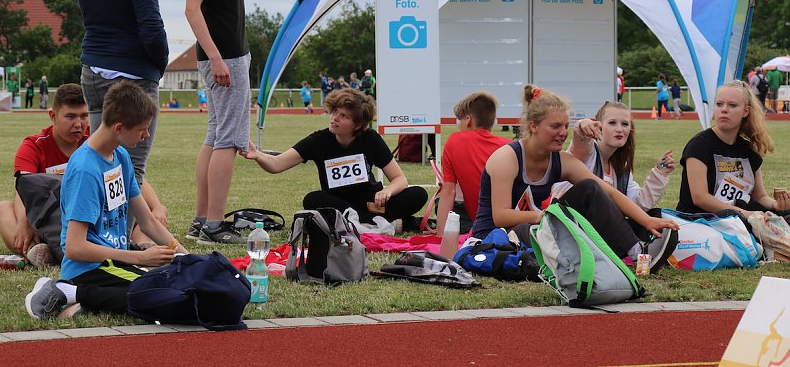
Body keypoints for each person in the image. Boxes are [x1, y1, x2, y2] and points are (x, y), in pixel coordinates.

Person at [24, 81, 187, 319]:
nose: (146, 135)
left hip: (114, 266)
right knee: (170, 297)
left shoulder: (120, 155)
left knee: (177, 288)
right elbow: (75, 247)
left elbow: (148, 222)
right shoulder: (86, 170)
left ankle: (80, 304)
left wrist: (187, 258)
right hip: (89, 270)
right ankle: (68, 291)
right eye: (142, 129)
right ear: (119, 127)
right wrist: (140, 257)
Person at [473, 88, 679, 272]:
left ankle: (637, 251)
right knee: (536, 229)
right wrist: (546, 216)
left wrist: (646, 220)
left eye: (565, 126)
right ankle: (620, 253)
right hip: (497, 237)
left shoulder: (561, 160)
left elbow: (607, 192)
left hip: (536, 231)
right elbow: (500, 217)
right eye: (555, 126)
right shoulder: (507, 158)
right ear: (533, 126)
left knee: (590, 187)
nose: (563, 133)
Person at [71, 0, 171, 245]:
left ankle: (90, 237)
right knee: (131, 170)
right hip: (133, 73)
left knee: (102, 161)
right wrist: (159, 62)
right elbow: (150, 25)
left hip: (94, 70)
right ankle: (115, 243)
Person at [184, 0, 267, 244]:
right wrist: (216, 56)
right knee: (230, 140)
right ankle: (214, 225)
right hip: (225, 56)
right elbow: (191, 8)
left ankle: (202, 219)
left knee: (217, 136)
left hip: (230, 53)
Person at [241, 88, 428, 229]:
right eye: (334, 112)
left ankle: (363, 223)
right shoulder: (318, 140)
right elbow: (277, 164)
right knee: (312, 199)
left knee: (419, 194)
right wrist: (257, 155)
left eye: (343, 116)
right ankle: (384, 224)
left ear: (358, 125)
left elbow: (400, 179)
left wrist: (388, 191)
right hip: (338, 203)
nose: (334, 118)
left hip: (371, 202)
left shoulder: (370, 138)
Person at [0, 84, 90, 267]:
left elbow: (127, 176)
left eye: (84, 116)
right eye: (70, 116)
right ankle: (36, 250)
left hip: (86, 218)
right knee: (1, 208)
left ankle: (142, 242)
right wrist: (25, 222)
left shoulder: (94, 141)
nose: (78, 124)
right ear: (53, 116)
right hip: (48, 220)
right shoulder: (34, 145)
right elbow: (23, 189)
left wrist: (156, 207)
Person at [676, 80, 790, 217]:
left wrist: (775, 205)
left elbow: (760, 196)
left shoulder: (748, 151)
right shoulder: (699, 146)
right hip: (699, 221)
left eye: (732, 105)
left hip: (736, 220)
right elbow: (700, 198)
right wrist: (745, 214)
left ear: (746, 111)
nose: (724, 109)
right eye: (719, 104)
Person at [566, 101, 674, 216]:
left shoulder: (620, 168)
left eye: (625, 124)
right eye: (612, 123)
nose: (619, 129)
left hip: (599, 229)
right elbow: (580, 139)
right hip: (570, 226)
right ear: (598, 125)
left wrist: (660, 173)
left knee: (657, 215)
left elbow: (637, 205)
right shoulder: (586, 153)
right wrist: (583, 124)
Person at [437, 91, 510, 236]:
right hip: (515, 221)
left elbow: (448, 192)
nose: (458, 126)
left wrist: (440, 237)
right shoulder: (509, 146)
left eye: (460, 120)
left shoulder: (454, 141)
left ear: (468, 119)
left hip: (484, 225)